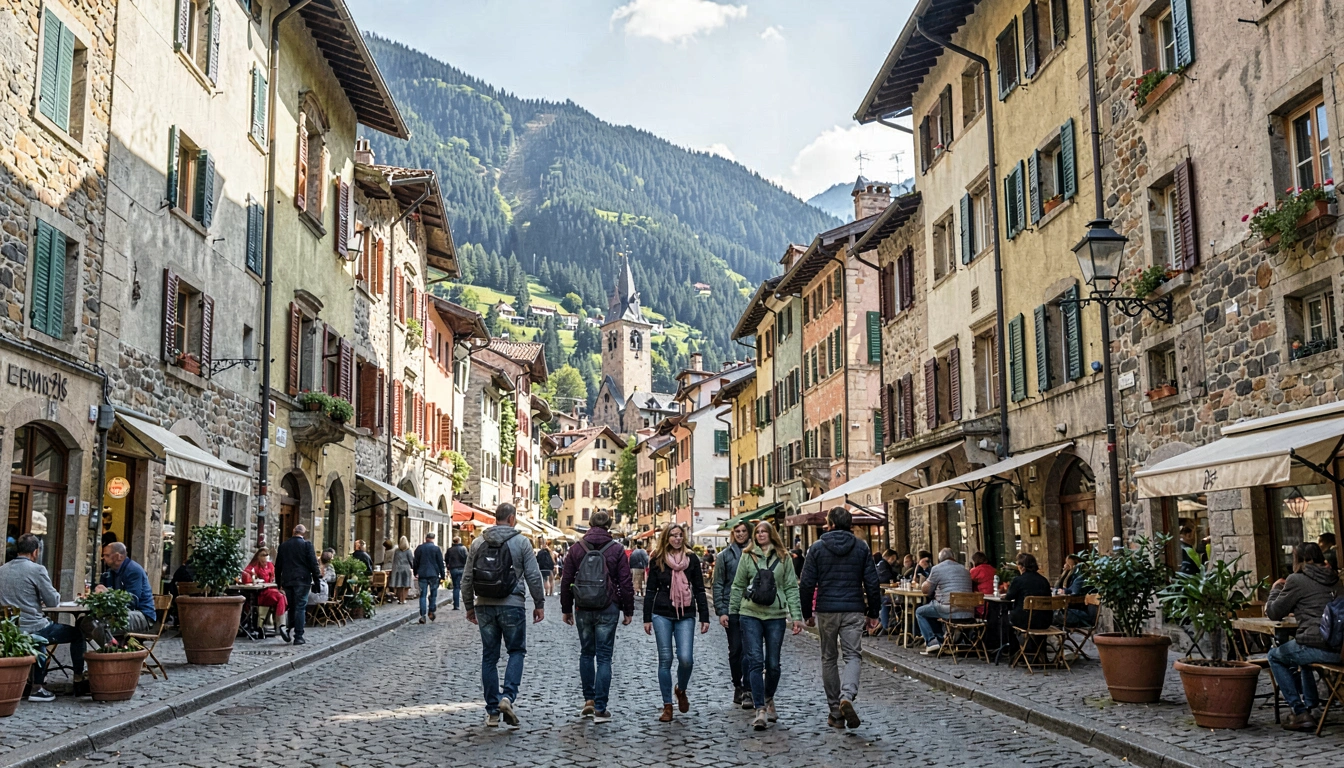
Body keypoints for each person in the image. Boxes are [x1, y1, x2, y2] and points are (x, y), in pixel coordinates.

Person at [462, 503, 545, 728]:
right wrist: (539, 603)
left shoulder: (478, 542)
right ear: (511, 519)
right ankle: (507, 697)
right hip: (513, 604)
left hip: (484, 605)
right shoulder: (521, 542)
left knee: (489, 656)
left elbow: (467, 578)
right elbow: (534, 576)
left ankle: (492, 711)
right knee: (516, 651)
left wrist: (469, 605)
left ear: (495, 518)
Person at [799, 507, 881, 729]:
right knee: (853, 655)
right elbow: (872, 583)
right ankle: (847, 695)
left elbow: (806, 584)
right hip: (853, 608)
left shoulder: (816, 548)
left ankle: (835, 711)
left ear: (831, 524)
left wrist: (807, 613)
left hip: (826, 609)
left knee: (828, 658)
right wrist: (874, 612)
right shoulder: (862, 547)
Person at [560, 510, 634, 723]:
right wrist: (628, 610)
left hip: (583, 607)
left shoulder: (576, 548)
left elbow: (566, 581)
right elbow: (625, 583)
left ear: (590, 524)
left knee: (586, 653)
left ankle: (588, 701)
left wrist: (566, 608)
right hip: (608, 606)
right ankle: (601, 708)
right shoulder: (617, 549)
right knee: (603, 657)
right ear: (609, 525)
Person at [730, 521, 803, 730]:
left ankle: (769, 697)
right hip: (750, 613)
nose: (761, 534)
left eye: (764, 531)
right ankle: (760, 709)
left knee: (773, 664)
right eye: (758, 532)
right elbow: (738, 585)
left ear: (772, 534)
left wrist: (796, 616)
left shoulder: (783, 557)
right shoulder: (747, 555)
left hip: (775, 615)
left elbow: (790, 586)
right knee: (755, 661)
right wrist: (732, 612)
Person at [0, 533, 87, 700]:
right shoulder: (37, 569)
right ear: (35, 552)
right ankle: (77, 679)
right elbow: (53, 600)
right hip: (33, 626)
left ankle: (34, 681)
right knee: (77, 634)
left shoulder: (2, 570)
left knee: (39, 636)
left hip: (9, 630)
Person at [1266, 541, 1341, 731]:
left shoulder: (1296, 580)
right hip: (1340, 649)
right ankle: (1312, 707)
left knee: (1275, 656)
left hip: (1318, 646)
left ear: (1299, 560)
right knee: (1301, 656)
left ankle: (1299, 712)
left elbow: (1275, 612)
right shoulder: (1336, 580)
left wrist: (1275, 589)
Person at [642, 523, 710, 722]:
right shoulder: (658, 560)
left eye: (680, 535)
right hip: (661, 613)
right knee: (665, 659)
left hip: (686, 613)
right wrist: (647, 618)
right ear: (666, 538)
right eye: (673, 536)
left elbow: (699, 588)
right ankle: (667, 706)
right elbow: (650, 591)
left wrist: (704, 616)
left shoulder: (692, 559)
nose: (677, 539)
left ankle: (680, 689)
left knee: (686, 658)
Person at [712, 522, 751, 707]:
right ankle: (738, 684)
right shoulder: (724, 556)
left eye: (744, 531)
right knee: (736, 649)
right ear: (733, 533)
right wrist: (721, 610)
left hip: (753, 607)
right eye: (737, 531)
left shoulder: (756, 553)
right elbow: (718, 583)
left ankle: (749, 687)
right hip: (732, 608)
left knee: (751, 650)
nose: (741, 534)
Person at [915, 548, 974, 655]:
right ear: (953, 557)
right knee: (931, 609)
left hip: (949, 609)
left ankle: (932, 642)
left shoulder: (937, 569)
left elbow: (926, 590)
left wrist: (924, 583)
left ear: (940, 559)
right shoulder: (965, 569)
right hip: (969, 611)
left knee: (920, 611)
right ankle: (941, 640)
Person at [92, 542, 156, 635]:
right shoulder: (110, 572)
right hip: (119, 612)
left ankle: (111, 647)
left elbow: (132, 600)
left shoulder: (133, 570)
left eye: (107, 555)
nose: (103, 558)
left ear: (118, 556)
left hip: (142, 615)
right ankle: (110, 646)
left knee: (102, 625)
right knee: (85, 622)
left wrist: (108, 593)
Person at [275, 524, 322, 645]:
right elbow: (313, 564)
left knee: (292, 606)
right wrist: (317, 579)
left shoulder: (283, 546)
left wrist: (278, 582)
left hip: (288, 580)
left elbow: (278, 566)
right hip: (302, 580)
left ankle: (288, 629)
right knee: (300, 606)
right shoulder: (307, 545)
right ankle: (298, 636)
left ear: (293, 531)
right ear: (304, 533)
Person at [241, 547, 290, 641]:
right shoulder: (254, 565)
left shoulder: (270, 565)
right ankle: (281, 626)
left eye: (266, 555)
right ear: (258, 556)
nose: (265, 557)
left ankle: (280, 625)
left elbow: (274, 577)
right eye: (263, 555)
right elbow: (246, 574)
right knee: (281, 597)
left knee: (282, 597)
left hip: (270, 589)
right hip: (260, 593)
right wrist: (252, 577)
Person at [1006, 552, 1053, 630]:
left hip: (1025, 621)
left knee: (1005, 617)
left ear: (1022, 567)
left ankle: (1014, 642)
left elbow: (1008, 597)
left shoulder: (1018, 580)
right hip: (1045, 621)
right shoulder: (1044, 580)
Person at [413, 532, 446, 623]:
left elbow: (415, 562)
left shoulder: (419, 548)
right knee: (433, 594)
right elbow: (440, 563)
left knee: (423, 595)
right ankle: (431, 611)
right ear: (433, 539)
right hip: (434, 574)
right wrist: (443, 575)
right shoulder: (436, 549)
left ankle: (423, 615)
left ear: (426, 538)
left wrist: (416, 572)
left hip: (422, 574)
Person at [874, 549, 900, 633]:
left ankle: (883, 624)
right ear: (891, 557)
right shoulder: (883, 565)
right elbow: (887, 577)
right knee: (888, 602)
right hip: (882, 592)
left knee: (889, 601)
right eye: (894, 558)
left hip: (878, 591)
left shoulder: (882, 564)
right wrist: (895, 579)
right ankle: (885, 625)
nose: (894, 561)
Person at [446, 535, 469, 610]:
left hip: (453, 569)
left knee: (456, 586)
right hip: (462, 568)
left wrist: (448, 567)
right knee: (462, 586)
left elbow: (446, 559)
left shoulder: (450, 550)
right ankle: (465, 602)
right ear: (459, 541)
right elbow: (467, 558)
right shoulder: (463, 549)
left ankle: (456, 605)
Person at [391, 536, 414, 604]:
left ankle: (400, 599)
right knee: (406, 585)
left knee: (399, 585)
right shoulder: (408, 551)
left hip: (398, 568)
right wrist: (413, 567)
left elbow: (394, 560)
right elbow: (411, 560)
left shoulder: (397, 551)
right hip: (406, 568)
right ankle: (403, 599)